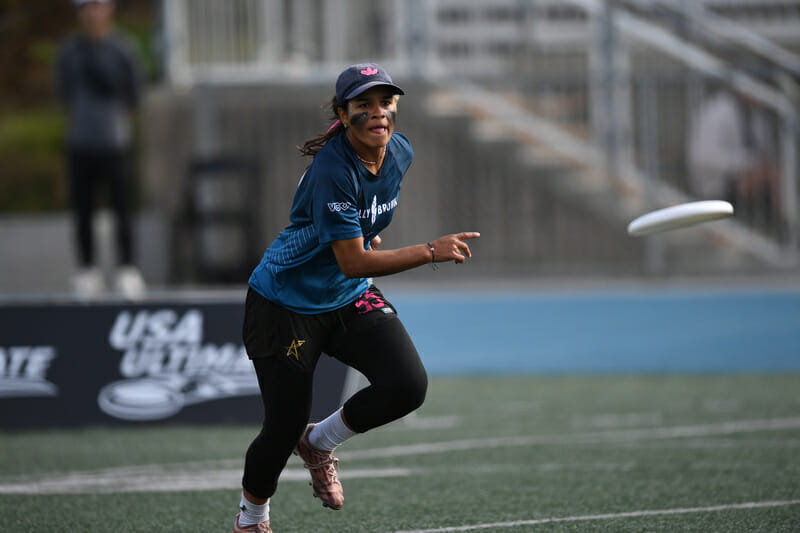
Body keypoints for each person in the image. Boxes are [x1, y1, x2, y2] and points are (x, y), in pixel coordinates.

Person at [233, 63, 480, 532]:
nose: (377, 113)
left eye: (385, 103)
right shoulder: (332, 169)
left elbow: (356, 247)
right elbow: (352, 262)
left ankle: (320, 442)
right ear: (343, 115)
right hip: (286, 303)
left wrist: (362, 238)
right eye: (363, 105)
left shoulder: (399, 152)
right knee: (282, 427)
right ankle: (252, 519)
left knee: (407, 385)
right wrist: (430, 251)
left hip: (345, 295)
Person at [55, 0, 146, 298]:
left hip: (114, 142)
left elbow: (134, 93)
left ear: (109, 9)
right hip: (80, 142)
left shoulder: (123, 48)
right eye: (86, 7)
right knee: (83, 210)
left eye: (97, 5)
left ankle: (127, 269)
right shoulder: (69, 51)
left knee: (122, 209)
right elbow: (64, 94)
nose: (92, 13)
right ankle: (87, 270)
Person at [687, 87, 780, 230]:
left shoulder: (758, 116)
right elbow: (706, 157)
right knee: (762, 175)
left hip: (746, 179)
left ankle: (782, 224)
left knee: (774, 173)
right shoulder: (718, 110)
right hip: (717, 183)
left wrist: (755, 166)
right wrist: (747, 165)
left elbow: (766, 152)